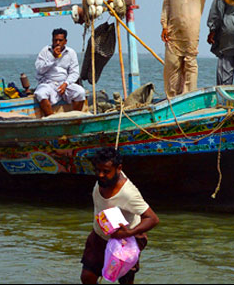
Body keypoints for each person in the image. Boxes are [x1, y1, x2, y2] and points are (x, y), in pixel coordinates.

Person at [80, 148, 159, 284]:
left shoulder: (128, 193)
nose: (100, 175)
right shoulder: (103, 181)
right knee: (87, 277)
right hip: (99, 237)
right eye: (97, 170)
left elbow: (152, 218)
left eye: (106, 172)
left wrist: (128, 232)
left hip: (124, 242)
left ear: (118, 169)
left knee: (125, 280)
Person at [34, 28, 86, 116]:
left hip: (64, 83)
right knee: (40, 93)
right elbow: (39, 69)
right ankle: (51, 119)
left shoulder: (71, 52)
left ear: (65, 41)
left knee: (80, 92)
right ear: (52, 40)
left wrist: (66, 84)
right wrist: (53, 57)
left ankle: (75, 117)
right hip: (48, 83)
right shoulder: (45, 51)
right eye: (55, 40)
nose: (58, 43)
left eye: (60, 40)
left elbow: (75, 72)